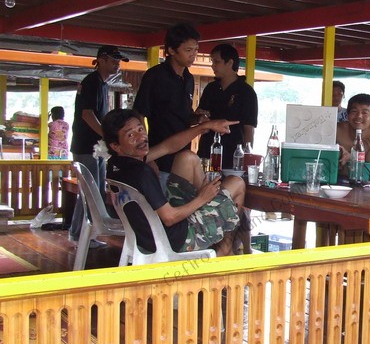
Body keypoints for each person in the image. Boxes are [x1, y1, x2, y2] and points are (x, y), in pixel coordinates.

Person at [103, 108, 246, 257]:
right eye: (131, 135)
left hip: (148, 237)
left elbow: (167, 147)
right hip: (177, 238)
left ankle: (211, 225)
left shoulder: (116, 164)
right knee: (236, 183)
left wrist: (205, 126)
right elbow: (169, 218)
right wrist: (202, 198)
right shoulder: (142, 172)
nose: (141, 137)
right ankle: (225, 249)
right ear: (115, 145)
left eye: (140, 129)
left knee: (186, 157)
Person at [69, 45, 129, 243]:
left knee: (93, 192)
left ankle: (81, 234)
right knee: (90, 193)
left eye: (118, 61)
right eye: (113, 60)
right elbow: (87, 115)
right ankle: (81, 235)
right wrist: (108, 135)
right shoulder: (92, 82)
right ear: (101, 60)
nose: (117, 64)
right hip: (87, 147)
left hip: (96, 148)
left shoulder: (102, 84)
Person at [133, 22, 204, 185]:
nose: (193, 55)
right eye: (188, 50)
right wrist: (147, 156)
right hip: (160, 157)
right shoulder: (155, 76)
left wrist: (198, 119)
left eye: (195, 50)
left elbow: (185, 115)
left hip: (183, 155)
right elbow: (138, 115)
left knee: (185, 197)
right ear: (171, 50)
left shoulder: (189, 78)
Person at [196, 43, 258, 167]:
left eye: (216, 61)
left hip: (233, 156)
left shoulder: (246, 92)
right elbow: (198, 114)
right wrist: (200, 117)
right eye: (212, 62)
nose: (213, 65)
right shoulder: (211, 88)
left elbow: (249, 129)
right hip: (206, 153)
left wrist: (246, 160)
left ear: (230, 63)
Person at [336, 93, 370, 182]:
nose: (359, 116)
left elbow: (367, 169)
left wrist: (351, 158)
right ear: (347, 115)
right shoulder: (336, 129)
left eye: (365, 113)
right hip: (337, 181)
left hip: (365, 182)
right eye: (354, 111)